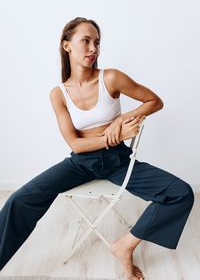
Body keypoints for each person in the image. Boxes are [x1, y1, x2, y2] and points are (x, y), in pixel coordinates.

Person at [0, 17, 194, 280]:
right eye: (86, 41)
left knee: (181, 193)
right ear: (67, 45)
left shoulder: (111, 78)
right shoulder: (58, 94)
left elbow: (154, 101)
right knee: (19, 200)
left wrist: (121, 120)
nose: (94, 48)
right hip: (80, 163)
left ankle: (125, 245)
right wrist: (112, 136)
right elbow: (75, 144)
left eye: (97, 42)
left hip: (118, 161)